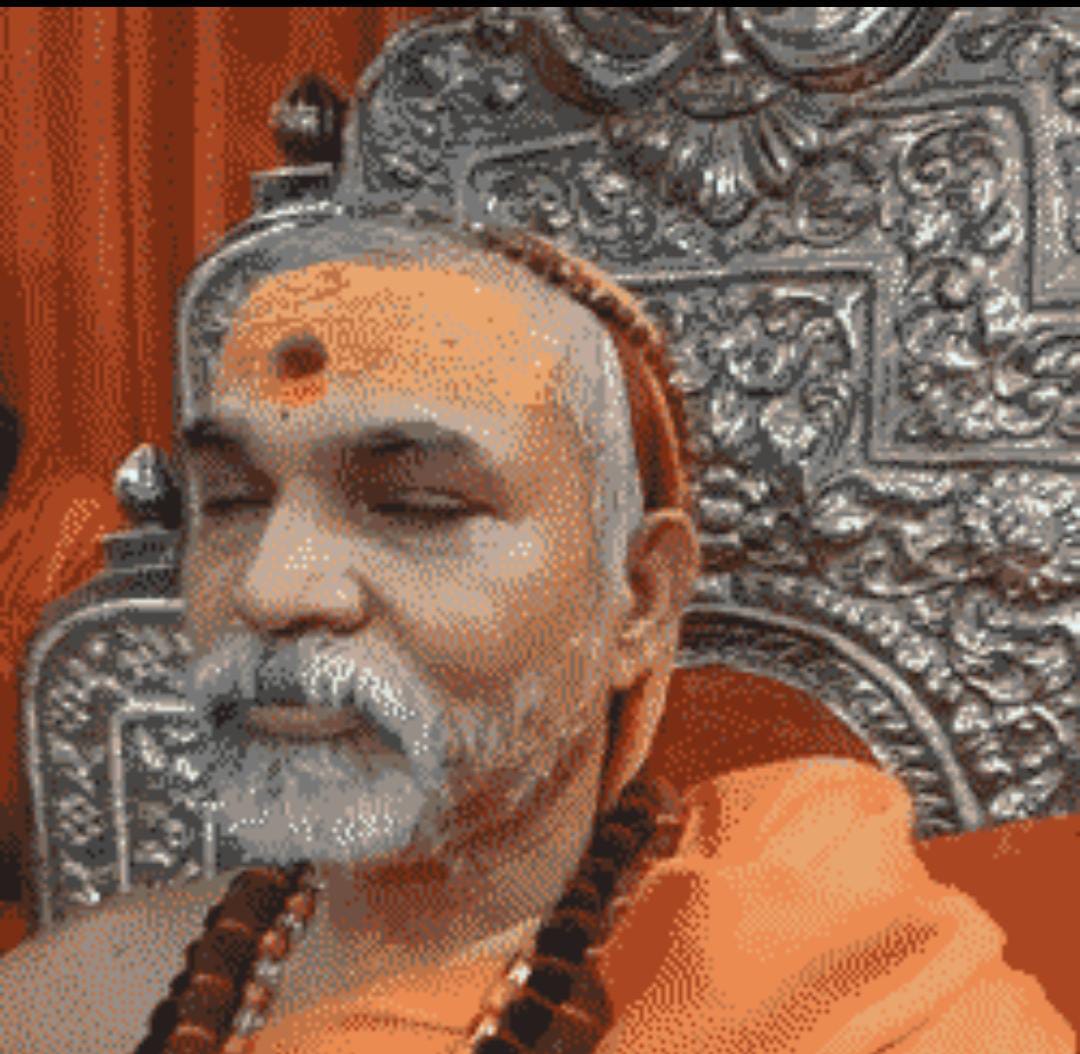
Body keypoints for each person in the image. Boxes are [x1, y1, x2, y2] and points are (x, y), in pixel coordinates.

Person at [0, 210, 1073, 1054]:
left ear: (638, 599)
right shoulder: (65, 1007)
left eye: (415, 504)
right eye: (232, 501)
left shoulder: (846, 988)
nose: (271, 589)